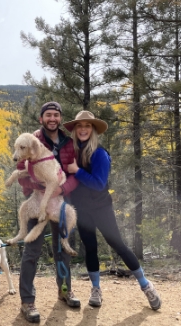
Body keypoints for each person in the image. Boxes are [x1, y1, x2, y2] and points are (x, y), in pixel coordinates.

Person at [63, 110, 162, 310]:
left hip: (101, 208)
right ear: (75, 130)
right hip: (81, 210)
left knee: (118, 244)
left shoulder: (99, 153)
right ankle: (96, 289)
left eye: (87, 125)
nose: (83, 129)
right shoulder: (72, 152)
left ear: (93, 130)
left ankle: (146, 285)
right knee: (90, 248)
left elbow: (99, 184)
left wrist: (77, 171)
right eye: (79, 126)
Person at [17, 101, 80, 323]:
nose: (52, 119)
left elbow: (73, 175)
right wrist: (40, 188)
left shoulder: (67, 142)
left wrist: (61, 189)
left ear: (60, 118)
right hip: (37, 202)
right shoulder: (31, 140)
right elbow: (20, 170)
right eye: (48, 115)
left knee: (61, 251)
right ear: (41, 119)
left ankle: (64, 291)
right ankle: (27, 301)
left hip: (61, 201)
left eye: (56, 115)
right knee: (31, 251)